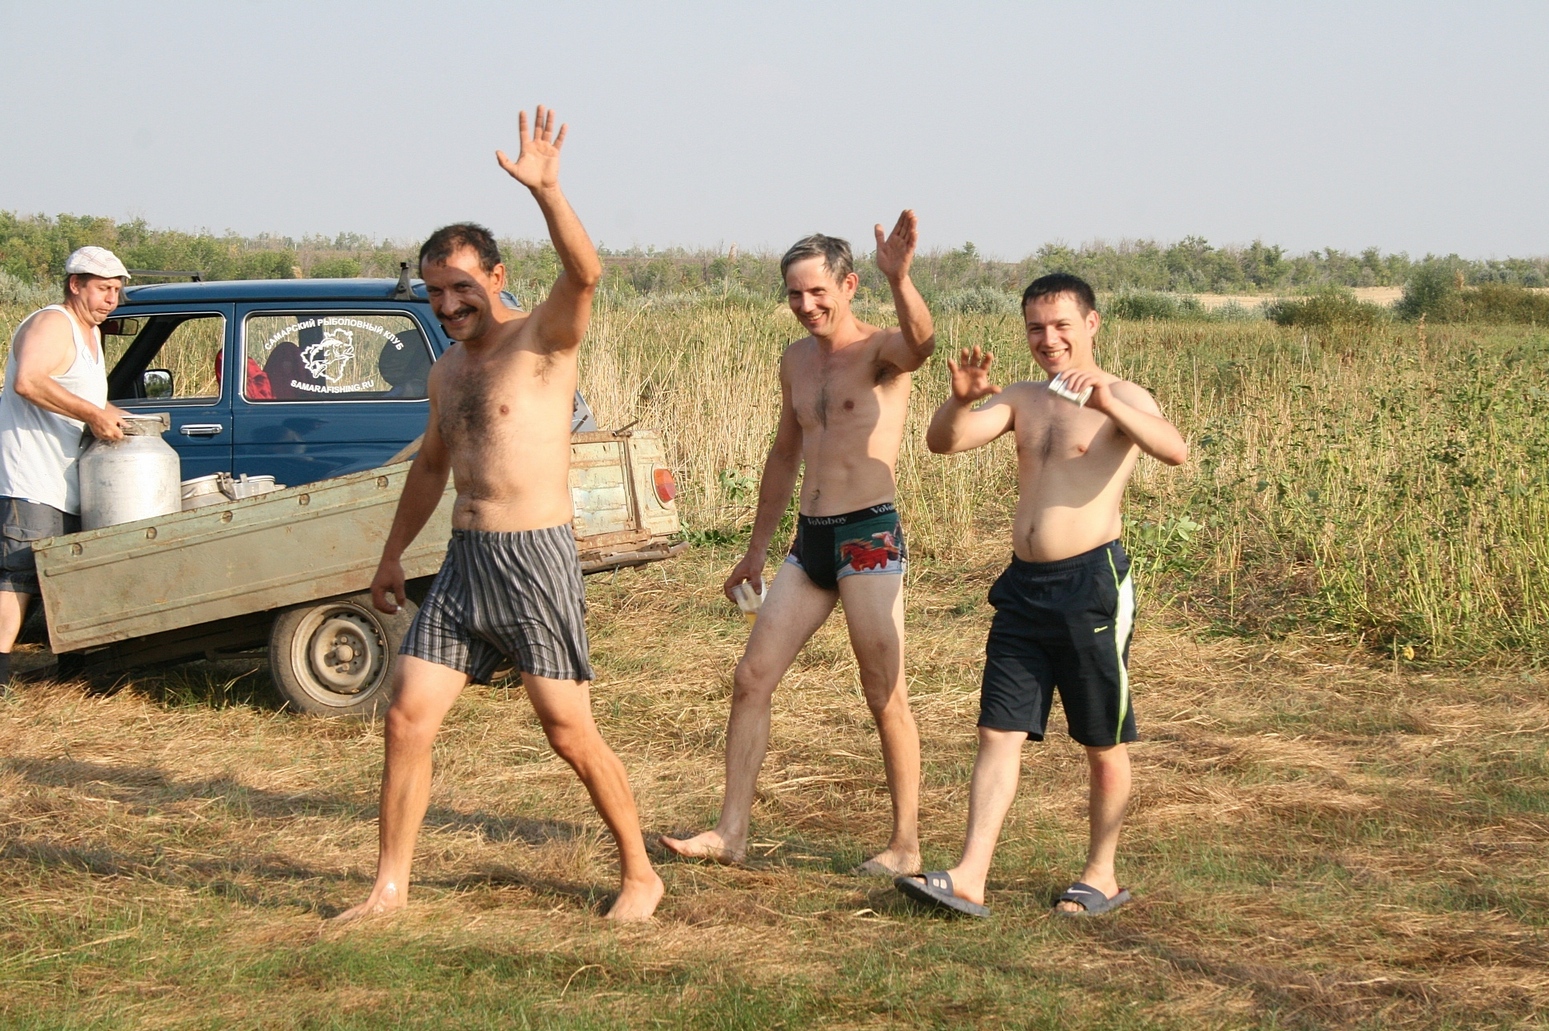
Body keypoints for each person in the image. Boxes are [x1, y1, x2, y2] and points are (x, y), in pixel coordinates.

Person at [332, 107, 662, 923]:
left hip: (534, 558)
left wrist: (547, 189)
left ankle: (640, 873)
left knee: (567, 730)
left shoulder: (542, 341)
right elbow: (430, 467)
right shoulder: (446, 372)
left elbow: (585, 274)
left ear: (498, 274)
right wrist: (390, 553)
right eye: (435, 290)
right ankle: (389, 888)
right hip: (464, 564)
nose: (448, 303)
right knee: (406, 717)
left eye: (462, 286)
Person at [895, 273, 1187, 918]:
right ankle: (969, 877)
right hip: (1023, 589)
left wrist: (1109, 403)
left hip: (1091, 587)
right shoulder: (1025, 397)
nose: (1048, 339)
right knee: (997, 730)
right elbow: (944, 442)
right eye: (1035, 327)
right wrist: (958, 401)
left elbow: (1175, 451)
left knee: (1101, 740)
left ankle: (1101, 875)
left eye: (1061, 326)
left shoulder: (1125, 396)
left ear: (1092, 324)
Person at [660, 214, 935, 876]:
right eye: (794, 294)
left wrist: (900, 278)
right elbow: (784, 455)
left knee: (883, 690)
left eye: (817, 292)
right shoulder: (795, 360)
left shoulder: (880, 351)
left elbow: (922, 345)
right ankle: (730, 832)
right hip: (809, 542)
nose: (806, 305)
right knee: (751, 677)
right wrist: (756, 549)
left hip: (867, 536)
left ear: (848, 286)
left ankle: (905, 846)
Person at [0, 247, 131, 691]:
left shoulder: (90, 333)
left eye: (116, 290)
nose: (111, 298)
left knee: (69, 571)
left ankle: (73, 671)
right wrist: (94, 416)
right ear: (75, 284)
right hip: (30, 475)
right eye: (103, 288)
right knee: (18, 574)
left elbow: (89, 401)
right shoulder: (53, 323)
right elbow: (29, 380)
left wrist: (135, 425)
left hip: (66, 478)